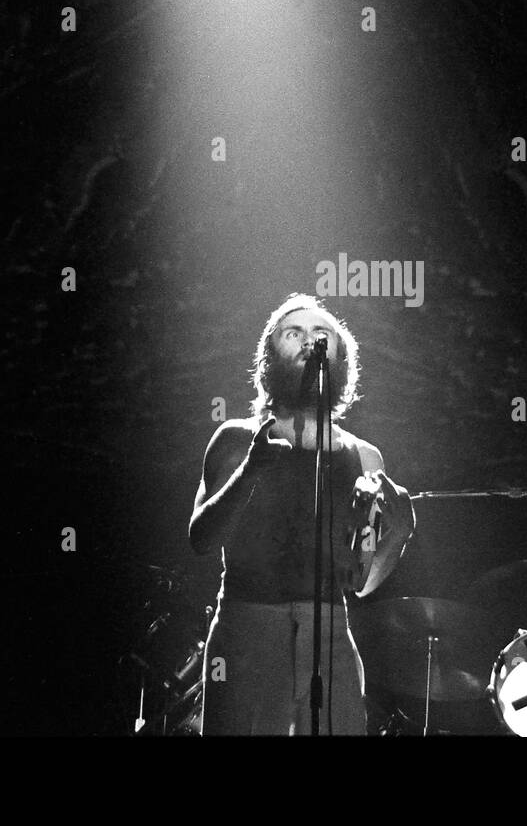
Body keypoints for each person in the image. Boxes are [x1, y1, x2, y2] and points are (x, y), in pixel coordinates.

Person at [188, 293, 415, 735]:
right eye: (294, 333)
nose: (310, 341)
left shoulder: (365, 458)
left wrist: (400, 532)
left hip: (330, 630)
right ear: (270, 357)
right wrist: (250, 471)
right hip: (248, 623)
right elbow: (200, 539)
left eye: (321, 334)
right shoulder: (235, 438)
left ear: (341, 358)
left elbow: (362, 582)